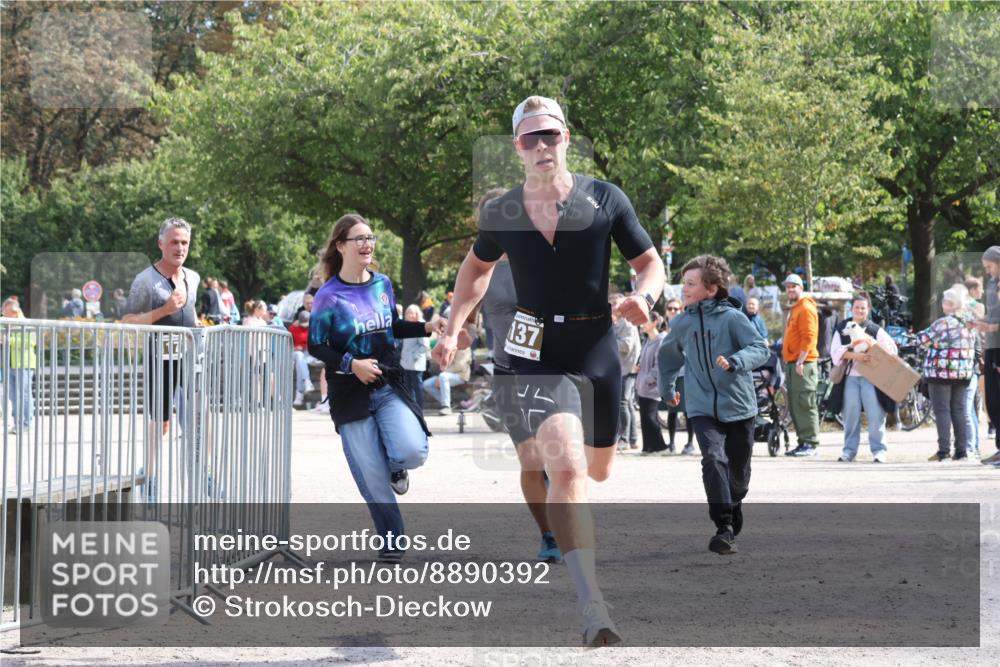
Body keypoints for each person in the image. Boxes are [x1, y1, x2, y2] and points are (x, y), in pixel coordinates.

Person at [434, 95, 664, 646]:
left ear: (566, 138)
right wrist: (453, 325)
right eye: (530, 138)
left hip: (595, 340)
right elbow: (474, 271)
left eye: (551, 136)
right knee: (565, 470)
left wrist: (646, 296)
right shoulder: (502, 212)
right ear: (517, 147)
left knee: (599, 470)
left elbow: (648, 262)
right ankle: (594, 607)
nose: (542, 146)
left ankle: (586, 509)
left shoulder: (604, 198)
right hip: (536, 348)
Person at [308, 214, 446, 562]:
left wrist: (427, 327)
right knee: (371, 477)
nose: (367, 244)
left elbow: (390, 327)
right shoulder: (328, 296)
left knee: (413, 450)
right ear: (341, 246)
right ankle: (392, 540)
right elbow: (316, 345)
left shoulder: (382, 284)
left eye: (370, 238)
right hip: (348, 392)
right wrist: (350, 365)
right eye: (359, 239)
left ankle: (396, 466)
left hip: (387, 382)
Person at [658, 255, 769, 555]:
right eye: (684, 283)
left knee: (739, 474)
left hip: (740, 407)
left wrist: (735, 362)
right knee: (712, 458)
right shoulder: (681, 323)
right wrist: (667, 389)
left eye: (690, 284)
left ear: (711, 289)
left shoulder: (733, 318)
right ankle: (723, 527)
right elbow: (667, 358)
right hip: (701, 407)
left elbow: (760, 349)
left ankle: (735, 501)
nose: (684, 289)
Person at [121, 217, 201, 501]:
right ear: (161, 244)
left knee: (200, 419)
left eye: (184, 243)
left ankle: (204, 480)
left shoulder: (193, 277)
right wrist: (164, 310)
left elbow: (188, 313)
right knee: (161, 423)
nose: (180, 248)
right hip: (161, 358)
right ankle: (150, 478)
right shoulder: (145, 280)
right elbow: (128, 321)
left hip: (191, 357)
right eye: (174, 242)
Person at [830, 293, 898, 463]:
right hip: (850, 378)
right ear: (851, 309)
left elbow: (892, 349)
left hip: (871, 379)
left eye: (863, 307)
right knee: (850, 415)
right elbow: (835, 352)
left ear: (868, 310)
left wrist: (872, 345)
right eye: (856, 307)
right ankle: (849, 451)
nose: (860, 310)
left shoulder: (874, 329)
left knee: (875, 414)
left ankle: (879, 450)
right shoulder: (842, 328)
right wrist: (856, 356)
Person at [919, 286, 977, 461]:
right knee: (958, 410)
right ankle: (961, 451)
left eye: (945, 301)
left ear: (951, 304)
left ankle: (943, 451)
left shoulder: (943, 322)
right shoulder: (969, 323)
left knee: (942, 410)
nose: (942, 304)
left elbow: (923, 340)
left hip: (941, 372)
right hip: (962, 374)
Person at [782, 274, 820, 457]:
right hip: (793, 363)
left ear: (800, 288)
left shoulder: (805, 307)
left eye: (793, 286)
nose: (790, 290)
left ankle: (811, 444)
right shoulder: (795, 308)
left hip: (803, 364)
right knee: (796, 405)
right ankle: (803, 442)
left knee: (805, 404)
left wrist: (800, 361)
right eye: (788, 287)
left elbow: (809, 337)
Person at [976, 247, 1000, 465]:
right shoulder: (993, 284)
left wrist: (992, 328)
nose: (988, 271)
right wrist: (979, 322)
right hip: (992, 347)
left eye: (990, 266)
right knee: (993, 400)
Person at [663, 298, 694, 454]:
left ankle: (690, 443)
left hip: (684, 373)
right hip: (669, 375)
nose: (673, 311)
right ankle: (671, 443)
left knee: (687, 410)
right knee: (671, 411)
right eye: (670, 308)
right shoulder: (664, 329)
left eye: (676, 308)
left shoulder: (686, 327)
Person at [1, 297, 37, 433]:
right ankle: (18, 424)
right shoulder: (5, 322)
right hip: (9, 364)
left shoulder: (26, 323)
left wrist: (9, 340)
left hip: (24, 364)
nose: (2, 314)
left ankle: (26, 423)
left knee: (24, 394)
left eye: (5, 312)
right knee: (13, 395)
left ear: (14, 311)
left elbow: (31, 342)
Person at [610, 292, 640, 451]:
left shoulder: (626, 324)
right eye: (612, 304)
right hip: (623, 369)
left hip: (627, 369)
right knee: (627, 404)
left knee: (622, 403)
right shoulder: (617, 323)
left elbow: (626, 345)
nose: (613, 307)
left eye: (615, 304)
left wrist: (608, 341)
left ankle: (624, 439)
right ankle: (633, 439)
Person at [636, 311, 668, 455]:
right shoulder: (647, 340)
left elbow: (659, 365)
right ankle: (648, 447)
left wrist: (649, 379)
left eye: (645, 321)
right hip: (642, 386)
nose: (642, 324)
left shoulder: (661, 340)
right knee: (645, 418)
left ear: (655, 322)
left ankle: (660, 446)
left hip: (652, 386)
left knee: (650, 417)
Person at [422, 344, 470, 415]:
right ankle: (450, 402)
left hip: (461, 375)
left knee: (443, 377)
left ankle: (446, 407)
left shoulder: (464, 346)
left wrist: (442, 374)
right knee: (426, 384)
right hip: (446, 374)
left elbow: (459, 366)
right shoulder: (448, 345)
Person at [399, 305, 430, 410]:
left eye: (413, 313)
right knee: (407, 386)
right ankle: (411, 408)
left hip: (416, 363)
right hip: (406, 362)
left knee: (417, 387)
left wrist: (413, 356)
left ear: (417, 313)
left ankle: (420, 408)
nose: (410, 315)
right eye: (408, 313)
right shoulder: (407, 325)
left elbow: (425, 346)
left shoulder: (421, 325)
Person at [289, 311, 317, 407]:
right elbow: (288, 345)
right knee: (299, 356)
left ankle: (299, 395)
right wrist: (294, 348)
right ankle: (307, 382)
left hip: (310, 354)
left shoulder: (314, 328)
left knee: (300, 364)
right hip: (297, 353)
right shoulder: (293, 328)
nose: (305, 326)